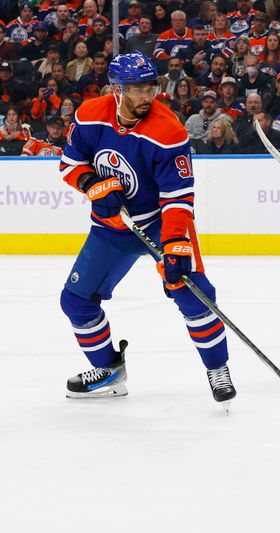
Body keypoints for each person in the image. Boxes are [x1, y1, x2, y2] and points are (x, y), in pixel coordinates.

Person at [58, 51, 236, 403]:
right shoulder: (89, 116)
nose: (146, 96)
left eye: (150, 87)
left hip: (158, 224)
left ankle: (218, 368)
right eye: (136, 89)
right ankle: (109, 370)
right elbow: (69, 164)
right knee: (75, 302)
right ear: (116, 89)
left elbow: (178, 199)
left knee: (195, 294)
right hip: (110, 228)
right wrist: (92, 184)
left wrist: (173, 245)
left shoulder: (168, 131)